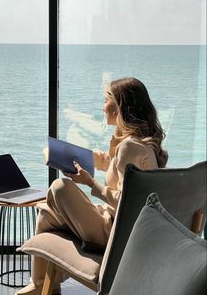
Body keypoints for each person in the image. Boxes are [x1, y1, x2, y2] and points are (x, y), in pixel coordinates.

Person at [16, 77, 168, 295]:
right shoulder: (134, 142)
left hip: (116, 232)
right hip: (117, 223)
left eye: (106, 100)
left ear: (120, 107)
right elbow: (107, 161)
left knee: (60, 187)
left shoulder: (130, 148)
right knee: (47, 213)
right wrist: (64, 154)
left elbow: (128, 202)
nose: (102, 106)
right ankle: (42, 285)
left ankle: (46, 282)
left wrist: (90, 183)